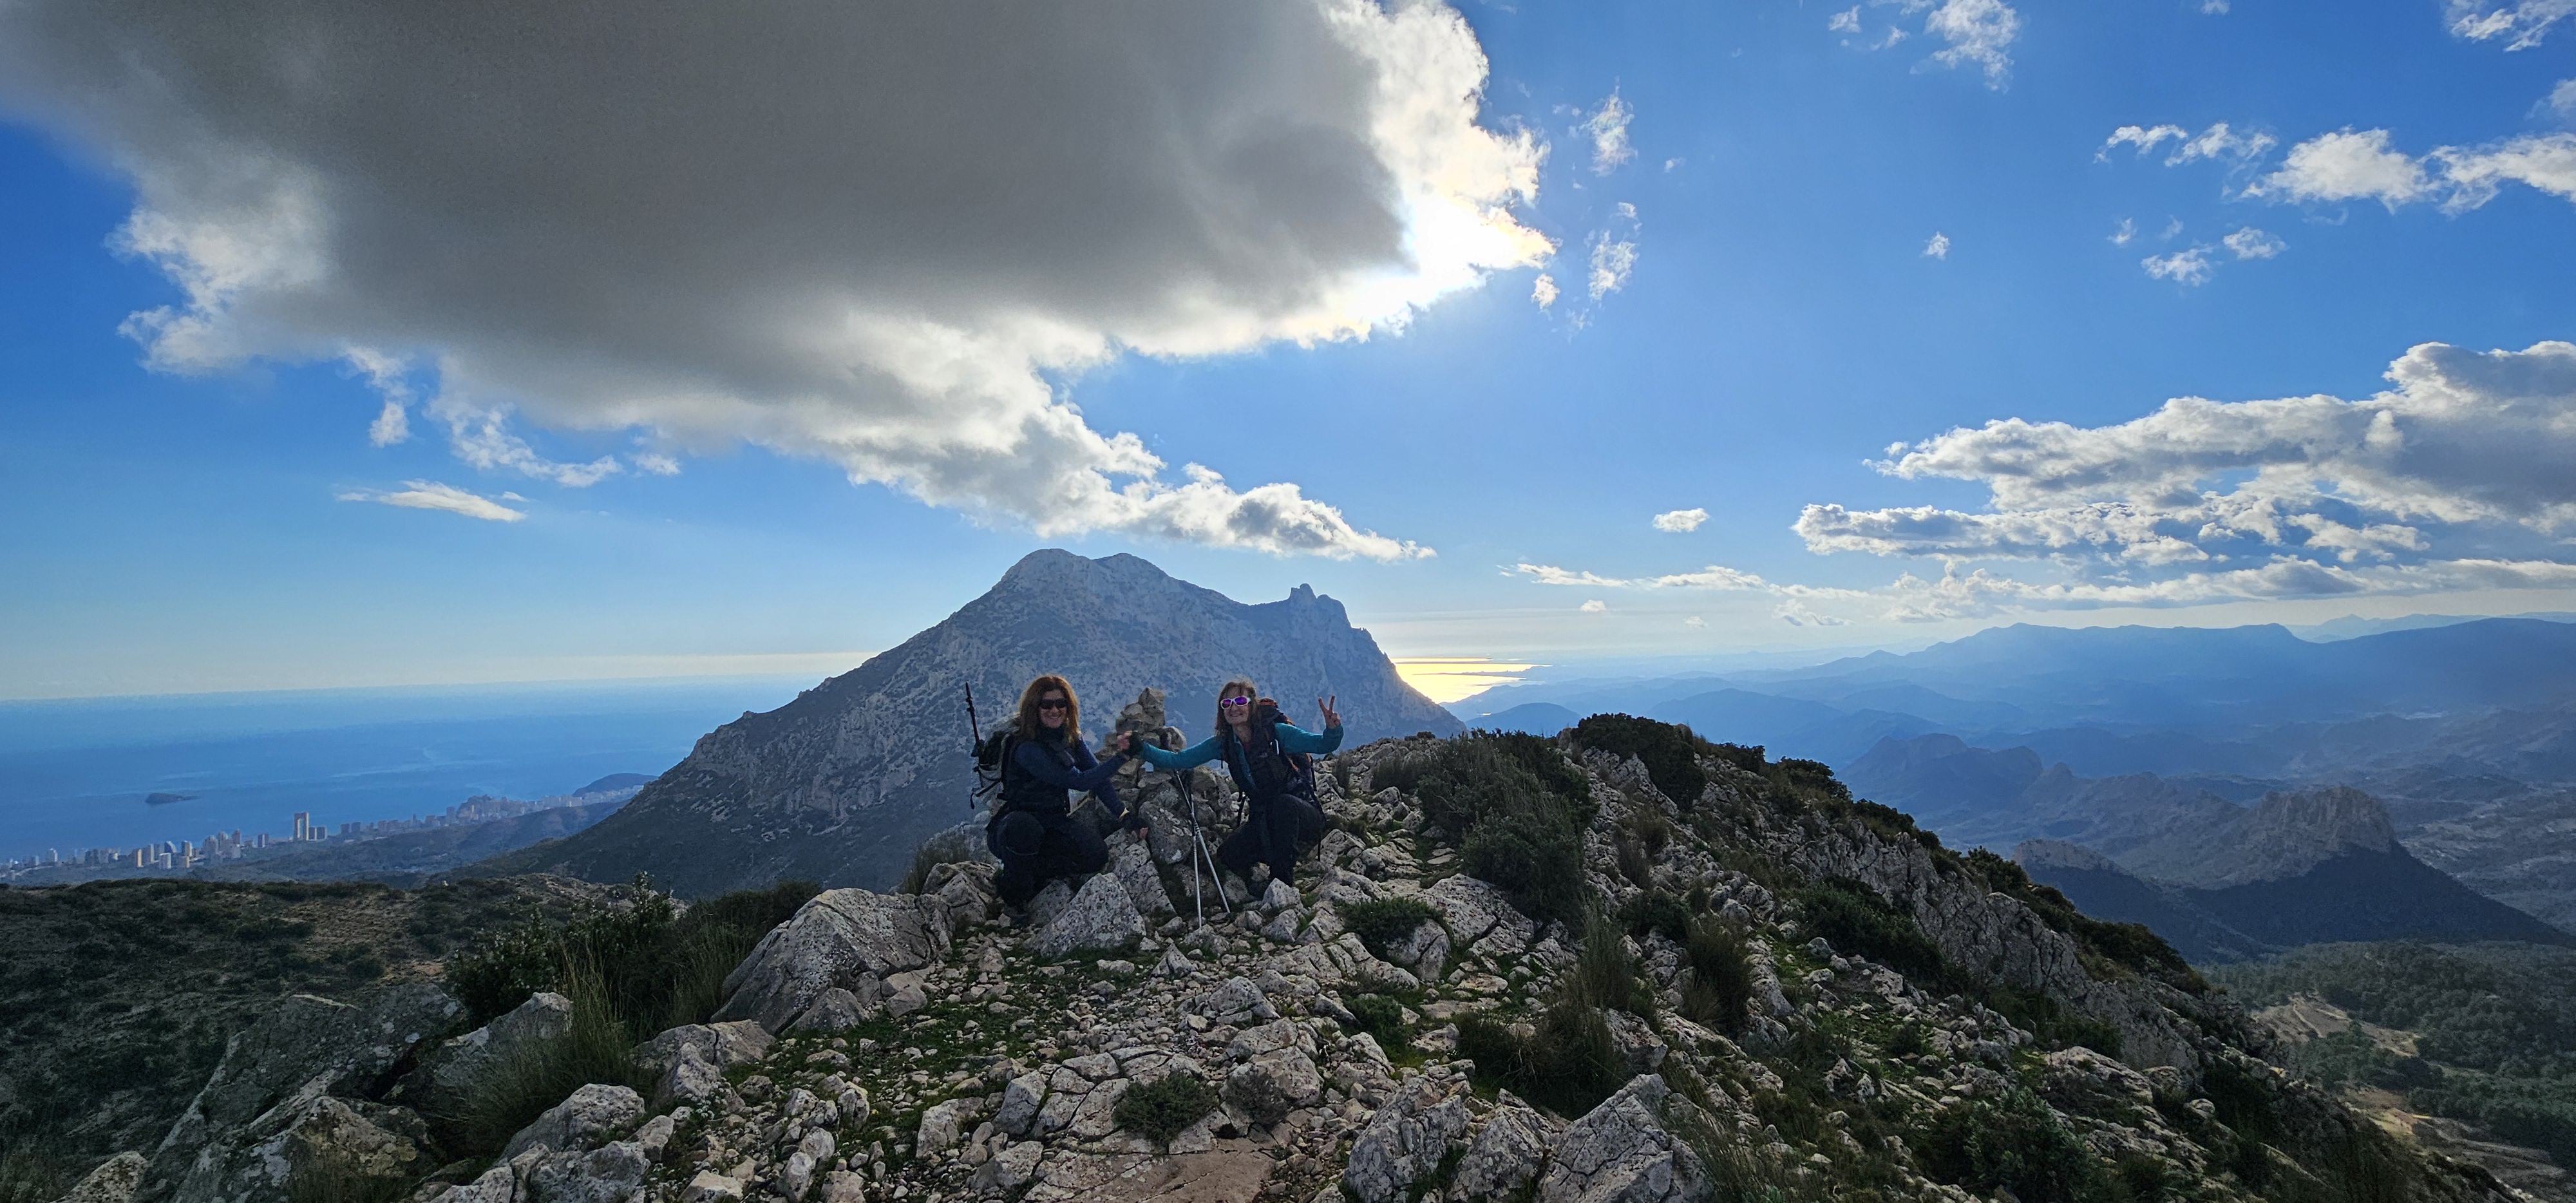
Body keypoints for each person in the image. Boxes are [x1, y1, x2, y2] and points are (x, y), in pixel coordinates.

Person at [1131, 678, 1341, 888]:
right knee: (1228, 855)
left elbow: (1321, 744)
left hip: (1303, 816)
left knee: (1284, 805)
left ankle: (1282, 886)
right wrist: (1140, 748)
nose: (1234, 708)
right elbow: (1179, 760)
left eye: (1240, 701)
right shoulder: (1224, 743)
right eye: (1227, 704)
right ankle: (1261, 871)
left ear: (1252, 705)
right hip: (1265, 819)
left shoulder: (1277, 733)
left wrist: (1333, 729)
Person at [988, 674, 1146, 916]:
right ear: (1035, 708)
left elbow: (1096, 777)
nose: (1055, 710)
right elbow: (1079, 781)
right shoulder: (1027, 747)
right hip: (1016, 825)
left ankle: (1033, 872)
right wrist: (1122, 758)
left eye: (1061, 704)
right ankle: (1013, 895)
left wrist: (1124, 815)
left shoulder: (1070, 737)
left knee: (1095, 855)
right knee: (1025, 829)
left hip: (1054, 820)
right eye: (1047, 704)